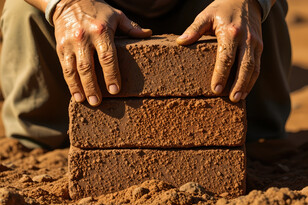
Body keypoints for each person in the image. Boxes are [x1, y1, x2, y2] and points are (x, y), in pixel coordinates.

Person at [0, 0, 291, 150]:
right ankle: (42, 138)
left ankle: (256, 137)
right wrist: (64, 5)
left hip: (202, 6)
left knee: (260, 11)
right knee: (24, 11)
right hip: (89, 7)